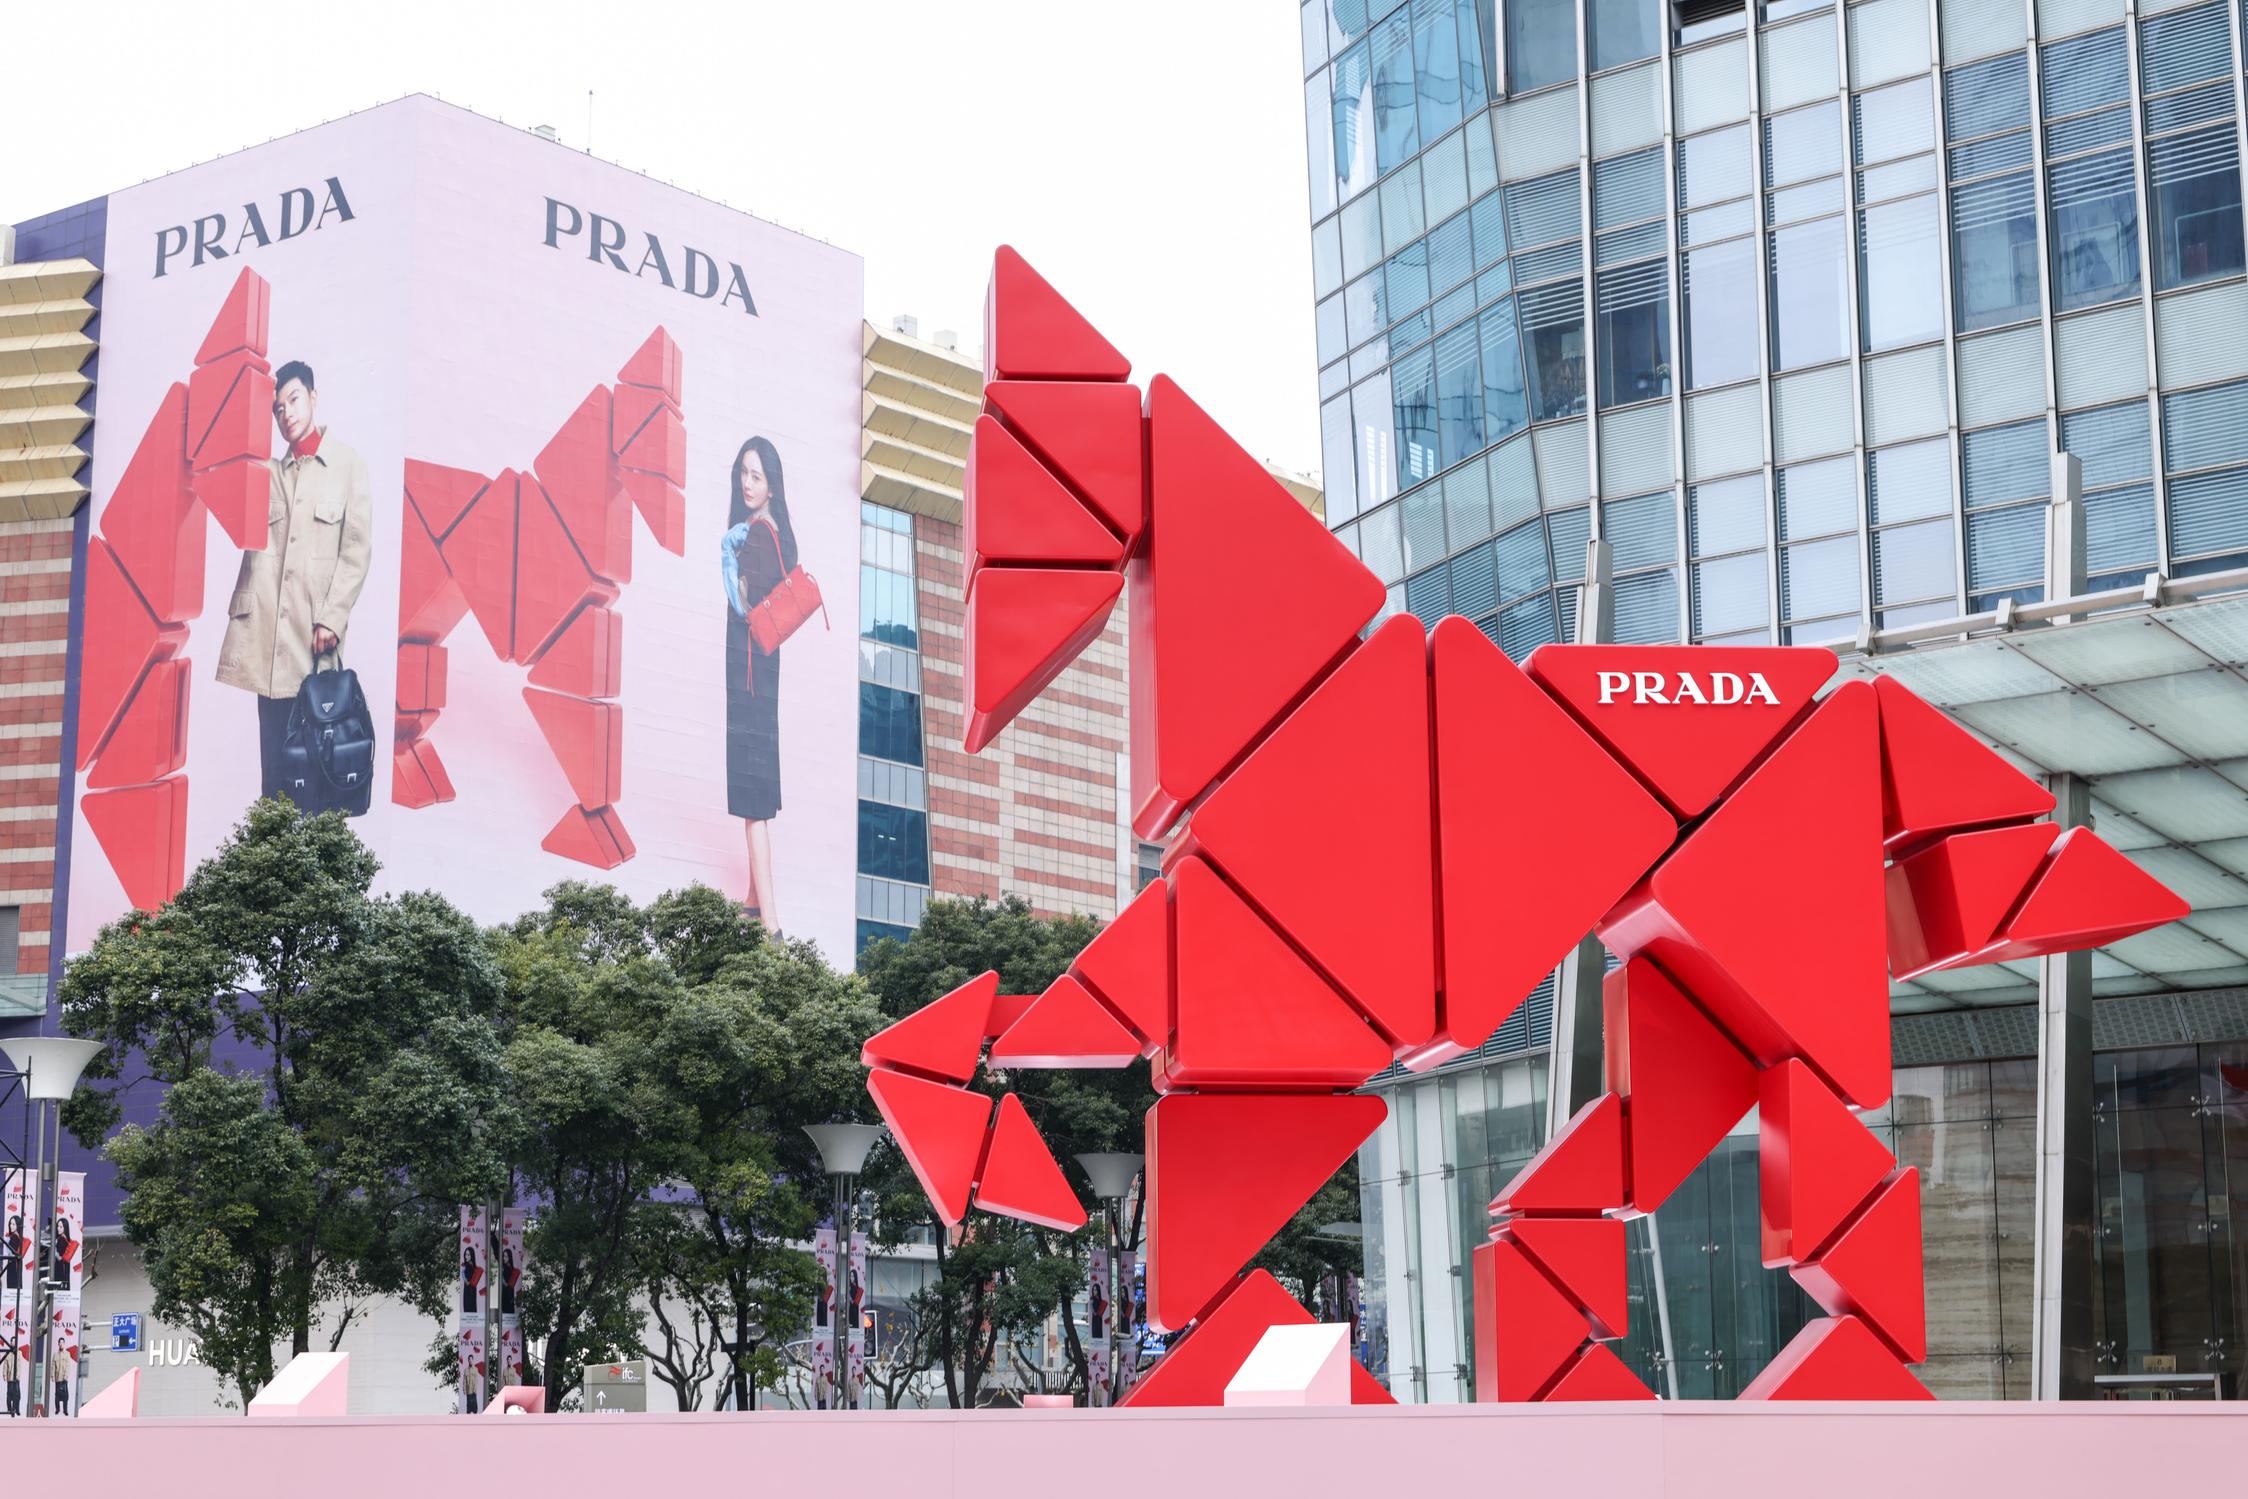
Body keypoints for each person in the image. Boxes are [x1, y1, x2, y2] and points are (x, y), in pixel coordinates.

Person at [216, 360, 374, 810]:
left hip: (314, 642)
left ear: (313, 398)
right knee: (276, 774)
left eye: (293, 399)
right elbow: (223, 460)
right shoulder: (265, 474)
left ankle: (317, 843)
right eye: (277, 408)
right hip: (269, 647)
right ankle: (274, 844)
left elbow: (357, 550)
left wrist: (333, 618)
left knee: (320, 766)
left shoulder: (347, 466)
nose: (286, 413)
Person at [719, 436, 799, 927]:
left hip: (750, 682)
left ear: (772, 485)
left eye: (757, 476)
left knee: (754, 802)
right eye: (743, 474)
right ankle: (752, 901)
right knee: (756, 795)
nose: (747, 484)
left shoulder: (757, 536)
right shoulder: (771, 531)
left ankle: (770, 926)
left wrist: (727, 556)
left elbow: (743, 604)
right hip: (759, 678)